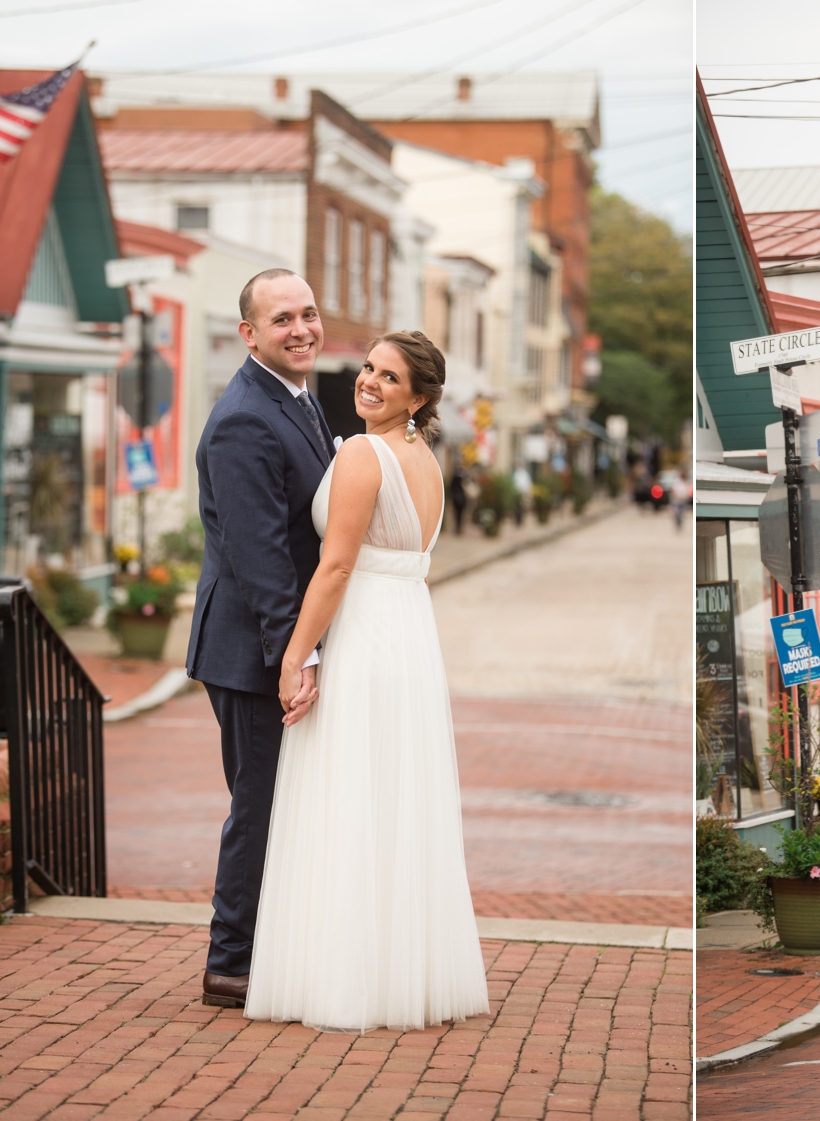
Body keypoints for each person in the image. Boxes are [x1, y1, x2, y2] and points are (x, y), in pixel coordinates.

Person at [245, 331, 489, 1031]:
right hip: (410, 637)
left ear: (419, 397)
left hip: (363, 638)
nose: (370, 382)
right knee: (397, 801)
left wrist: (296, 654)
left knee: (348, 795)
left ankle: (348, 981)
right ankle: (399, 974)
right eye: (368, 368)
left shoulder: (361, 452)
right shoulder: (428, 461)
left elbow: (336, 567)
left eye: (389, 377)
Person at [187, 268, 330, 1010]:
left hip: (276, 642)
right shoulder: (245, 415)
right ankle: (229, 962)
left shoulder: (300, 400)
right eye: (282, 319)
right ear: (248, 334)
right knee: (261, 802)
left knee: (281, 800)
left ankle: (267, 943)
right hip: (251, 651)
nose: (301, 328)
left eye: (308, 313)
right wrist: (295, 654)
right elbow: (259, 554)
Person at [449, 465, 470, 535]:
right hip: (462, 499)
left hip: (456, 498)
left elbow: (451, 488)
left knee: (457, 514)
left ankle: (457, 527)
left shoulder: (455, 478)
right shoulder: (464, 479)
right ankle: (459, 527)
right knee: (460, 514)